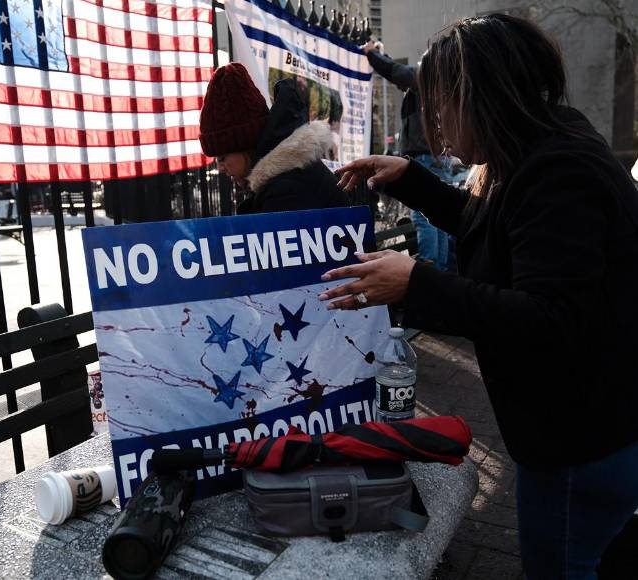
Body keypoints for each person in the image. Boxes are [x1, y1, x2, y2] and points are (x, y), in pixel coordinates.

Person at [321, 14, 638, 579]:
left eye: (444, 101)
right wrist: (413, 182)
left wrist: (419, 282)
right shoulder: (540, 149)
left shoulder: (558, 171)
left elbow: (552, 318)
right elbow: (500, 228)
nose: (437, 119)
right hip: (578, 429)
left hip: (582, 442)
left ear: (484, 96)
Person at [198, 63, 349, 214]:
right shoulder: (284, 177)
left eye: (222, 158)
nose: (219, 167)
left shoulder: (285, 189)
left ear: (245, 144)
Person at [362, 39, 452, 271]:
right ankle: (440, 265)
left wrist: (372, 55)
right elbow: (400, 74)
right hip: (437, 154)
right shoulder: (439, 80)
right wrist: (382, 55)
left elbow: (396, 73)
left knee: (425, 213)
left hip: (423, 154)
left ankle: (429, 262)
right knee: (442, 212)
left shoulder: (427, 76)